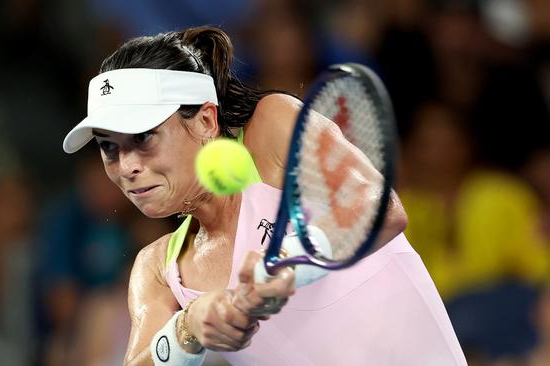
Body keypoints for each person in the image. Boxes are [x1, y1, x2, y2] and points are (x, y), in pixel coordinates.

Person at [63, 26, 466, 365]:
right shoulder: (157, 271)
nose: (126, 166)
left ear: (206, 119)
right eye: (109, 147)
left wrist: (288, 264)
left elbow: (380, 210)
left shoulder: (272, 128)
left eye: (144, 136)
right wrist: (188, 329)